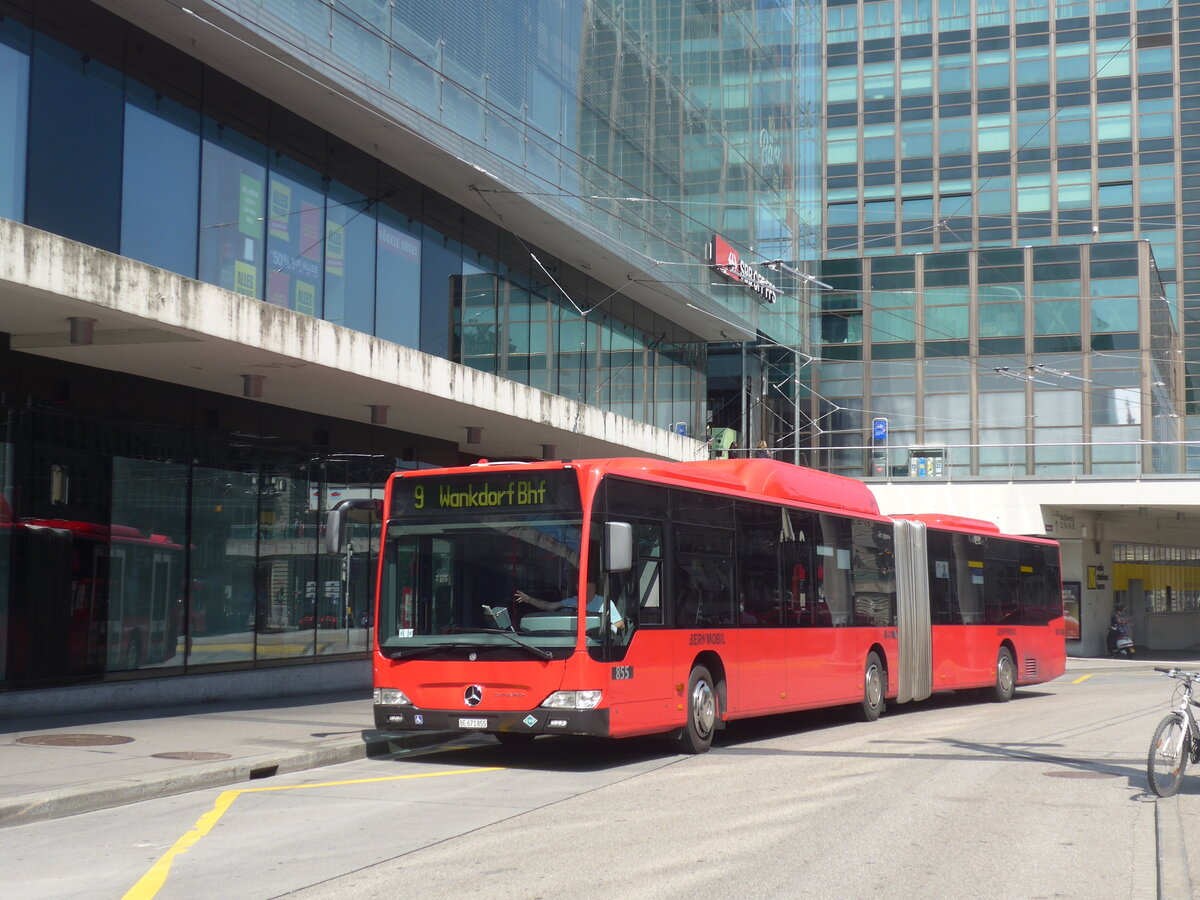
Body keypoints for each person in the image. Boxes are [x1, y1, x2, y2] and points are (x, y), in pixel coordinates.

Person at [515, 581, 624, 632]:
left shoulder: (604, 603)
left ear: (594, 588)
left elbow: (620, 624)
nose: (585, 593)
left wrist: (600, 630)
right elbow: (549, 606)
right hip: (569, 641)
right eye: (582, 590)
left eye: (588, 590)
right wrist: (529, 599)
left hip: (595, 643)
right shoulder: (571, 601)